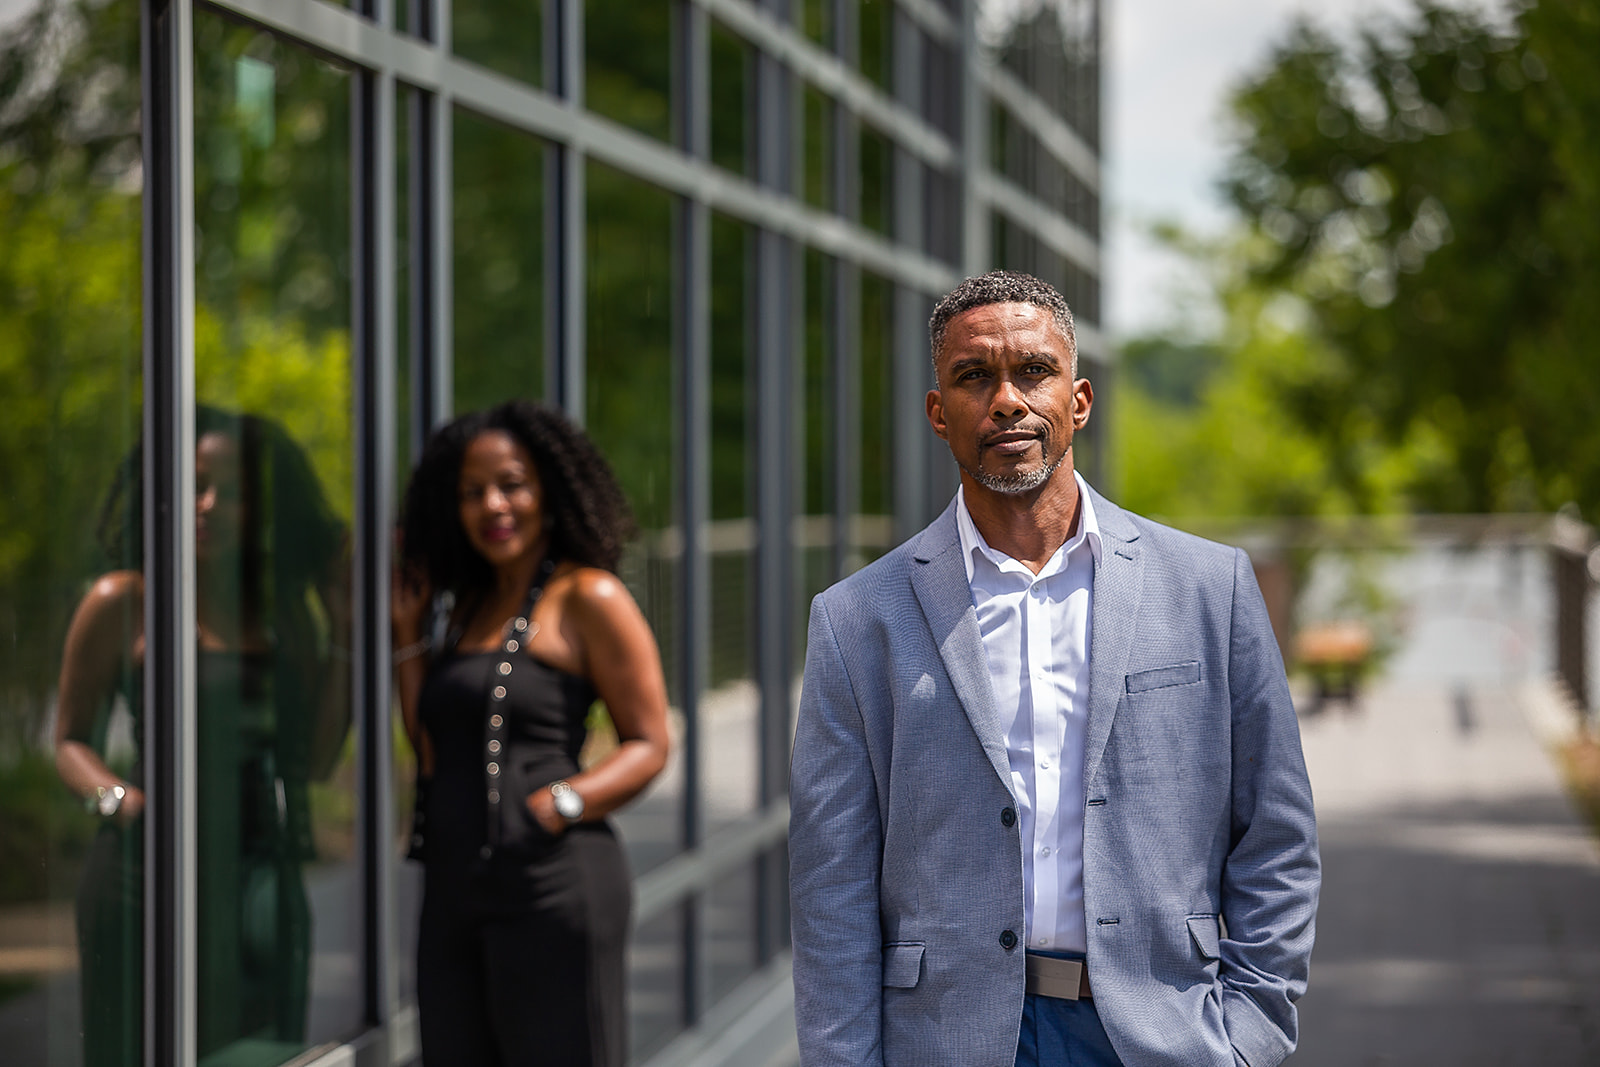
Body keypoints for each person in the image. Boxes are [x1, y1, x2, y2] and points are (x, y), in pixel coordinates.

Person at [788, 271, 1320, 1067]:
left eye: (1032, 371)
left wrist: (1250, 1037)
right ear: (940, 413)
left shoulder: (1213, 588)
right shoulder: (856, 619)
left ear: (1078, 400)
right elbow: (830, 887)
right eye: (974, 376)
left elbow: (1276, 836)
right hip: (948, 1041)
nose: (1006, 399)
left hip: (1160, 1036)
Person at [55, 406, 349, 1067]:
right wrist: (120, 802)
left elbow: (319, 758)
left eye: (233, 491)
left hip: (255, 872)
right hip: (142, 872)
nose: (209, 505)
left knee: (257, 1050)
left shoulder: (280, 618)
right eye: (195, 485)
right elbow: (70, 740)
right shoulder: (121, 599)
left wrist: (344, 630)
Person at [394, 400, 670, 1067]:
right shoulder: (464, 608)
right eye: (471, 491)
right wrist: (406, 634)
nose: (493, 504)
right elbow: (433, 749)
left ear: (545, 485)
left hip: (553, 885)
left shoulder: (588, 596)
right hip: (454, 888)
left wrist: (563, 802)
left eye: (510, 483)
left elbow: (650, 740)